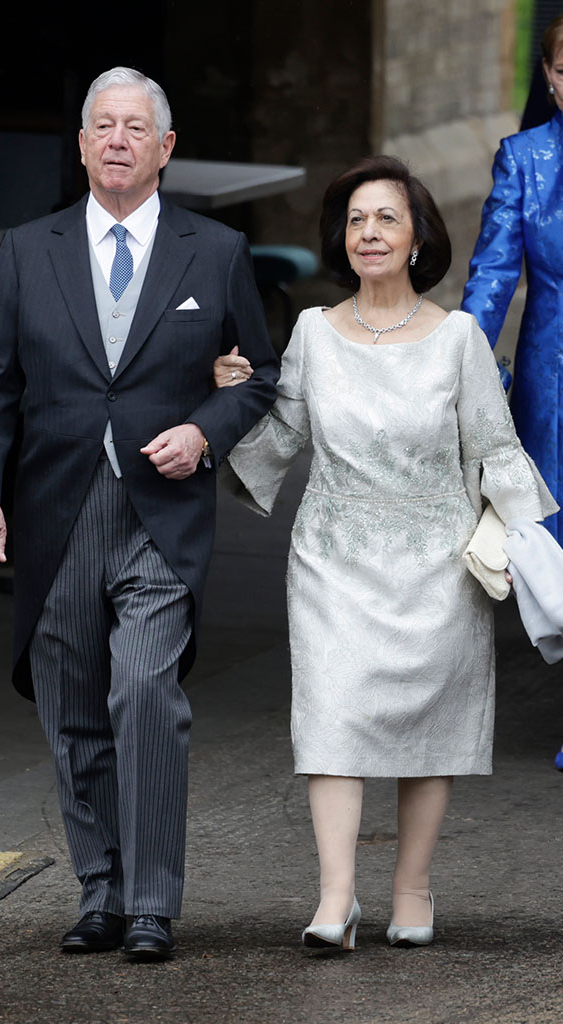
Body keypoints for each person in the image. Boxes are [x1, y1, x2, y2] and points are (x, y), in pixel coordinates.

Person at [0, 67, 278, 960]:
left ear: (166, 148)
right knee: (73, 712)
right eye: (103, 126)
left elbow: (261, 375)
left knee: (143, 689)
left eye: (136, 127)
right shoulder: (30, 248)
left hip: (160, 514)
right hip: (55, 510)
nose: (118, 140)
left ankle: (152, 902)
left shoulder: (213, 252)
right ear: (84, 144)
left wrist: (204, 431)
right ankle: (100, 891)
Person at [213, 155, 557, 950]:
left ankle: (414, 888)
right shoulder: (310, 334)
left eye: (387, 219)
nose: (369, 233)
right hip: (333, 560)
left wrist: (532, 550)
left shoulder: (460, 338)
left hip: (437, 565)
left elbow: (497, 451)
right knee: (331, 718)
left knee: (426, 726)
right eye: (357, 220)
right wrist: (225, 407)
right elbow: (279, 440)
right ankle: (335, 899)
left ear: (417, 239)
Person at [462, 14, 563, 546]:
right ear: (548, 74)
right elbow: (493, 274)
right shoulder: (524, 158)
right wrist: (462, 359)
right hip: (553, 364)